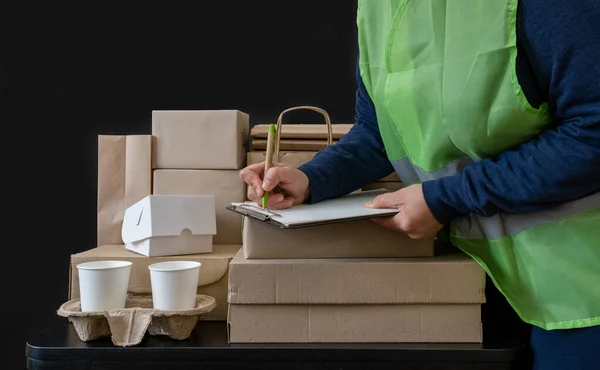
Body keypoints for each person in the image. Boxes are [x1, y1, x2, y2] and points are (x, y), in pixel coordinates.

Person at [240, 0, 600, 368]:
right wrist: (311, 178)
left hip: (577, 284)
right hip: (469, 273)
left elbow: (592, 131)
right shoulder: (378, 9)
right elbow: (379, 132)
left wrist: (448, 197)